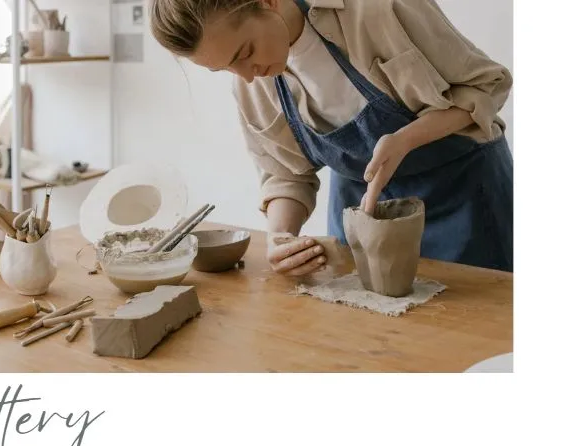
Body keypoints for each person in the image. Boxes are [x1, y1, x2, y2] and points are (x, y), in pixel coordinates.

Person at [150, 0, 513, 275]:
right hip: (360, 212)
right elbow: (286, 175)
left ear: (268, 2)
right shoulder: (251, 85)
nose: (246, 75)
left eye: (245, 53)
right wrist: (280, 238)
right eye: (225, 68)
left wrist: (407, 138)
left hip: (463, 198)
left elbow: (486, 85)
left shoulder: (377, 10)